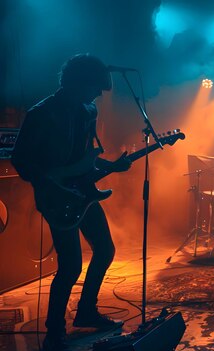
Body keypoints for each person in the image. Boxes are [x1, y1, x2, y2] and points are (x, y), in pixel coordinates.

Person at [11, 54, 131, 350]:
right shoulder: (42, 113)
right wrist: (53, 183)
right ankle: (54, 332)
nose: (97, 95)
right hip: (56, 197)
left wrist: (112, 166)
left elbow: (86, 159)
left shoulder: (88, 110)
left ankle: (86, 311)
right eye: (94, 88)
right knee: (70, 266)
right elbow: (20, 160)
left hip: (84, 192)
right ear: (78, 82)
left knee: (104, 250)